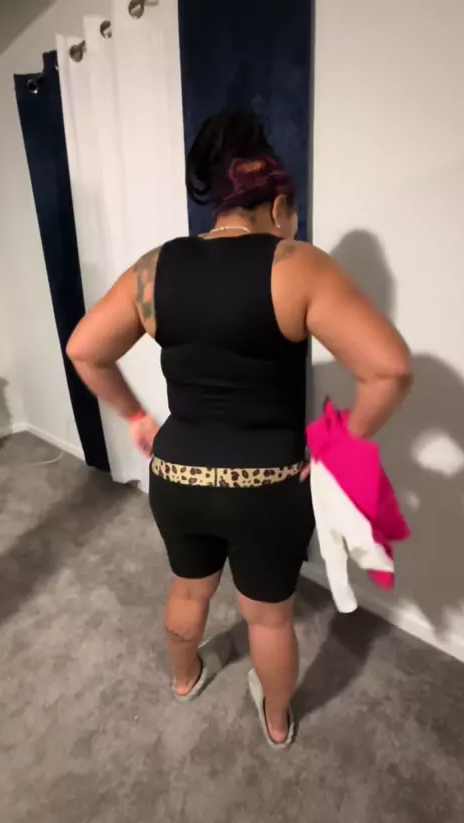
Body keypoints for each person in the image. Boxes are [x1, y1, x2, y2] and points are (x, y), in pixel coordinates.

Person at [67, 110, 412, 749]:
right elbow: (389, 370)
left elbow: (85, 348)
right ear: (278, 206)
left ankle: (185, 678)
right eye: (294, 214)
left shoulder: (154, 268)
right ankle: (277, 722)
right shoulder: (297, 264)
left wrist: (137, 416)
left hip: (177, 476)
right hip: (269, 486)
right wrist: (337, 444)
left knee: (189, 589)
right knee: (269, 619)